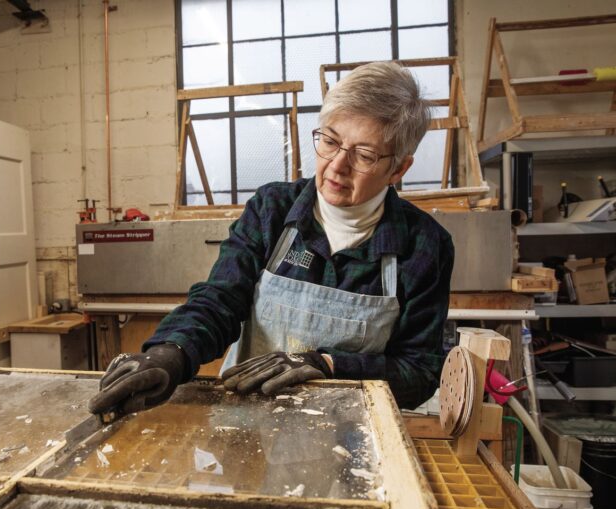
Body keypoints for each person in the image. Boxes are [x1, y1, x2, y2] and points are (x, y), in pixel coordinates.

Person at [88, 61, 454, 419]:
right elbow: (220, 300)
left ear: (399, 168)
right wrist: (172, 351)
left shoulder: (423, 245)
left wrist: (327, 363)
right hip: (250, 429)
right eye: (330, 140)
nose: (337, 166)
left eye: (364, 155)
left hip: (352, 439)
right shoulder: (272, 210)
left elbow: (419, 372)